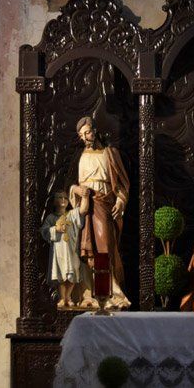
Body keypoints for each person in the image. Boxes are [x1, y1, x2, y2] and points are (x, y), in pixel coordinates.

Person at [74, 116, 131, 309]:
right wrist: (76, 191)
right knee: (87, 251)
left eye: (88, 132)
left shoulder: (110, 153)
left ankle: (109, 294)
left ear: (95, 130)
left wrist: (121, 201)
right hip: (84, 206)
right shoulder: (79, 156)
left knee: (104, 247)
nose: (86, 138)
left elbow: (122, 183)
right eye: (82, 136)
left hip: (104, 202)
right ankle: (92, 293)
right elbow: (69, 186)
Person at [41, 187, 89, 307]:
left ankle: (68, 296)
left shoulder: (72, 214)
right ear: (54, 201)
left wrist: (85, 196)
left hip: (72, 249)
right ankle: (63, 298)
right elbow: (44, 231)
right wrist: (55, 229)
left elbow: (83, 210)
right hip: (59, 251)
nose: (63, 200)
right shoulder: (51, 218)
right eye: (60, 197)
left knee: (72, 273)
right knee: (62, 274)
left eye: (65, 198)